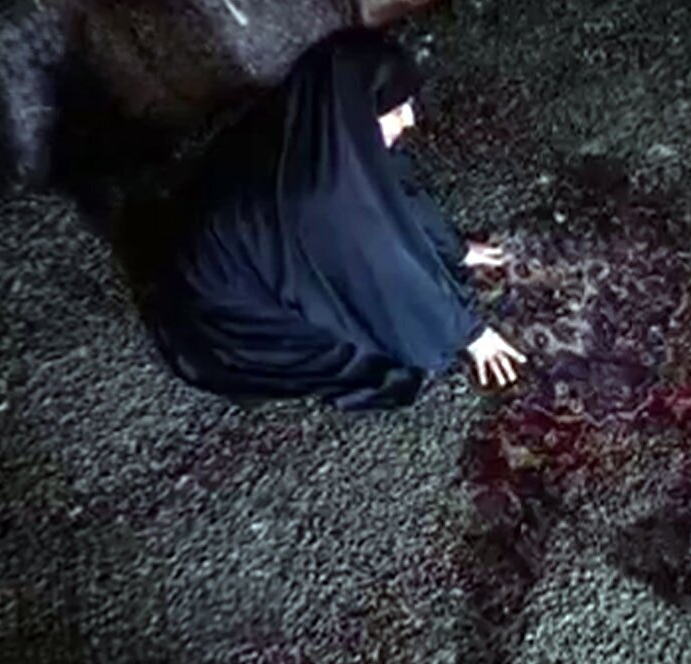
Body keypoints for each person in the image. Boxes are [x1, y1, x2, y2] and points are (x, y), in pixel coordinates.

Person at [144, 26, 526, 411]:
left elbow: (396, 189)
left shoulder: (316, 120)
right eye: (395, 112)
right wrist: (468, 334)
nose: (409, 120)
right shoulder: (322, 198)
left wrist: (454, 249)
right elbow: (384, 279)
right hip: (233, 318)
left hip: (224, 248)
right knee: (376, 355)